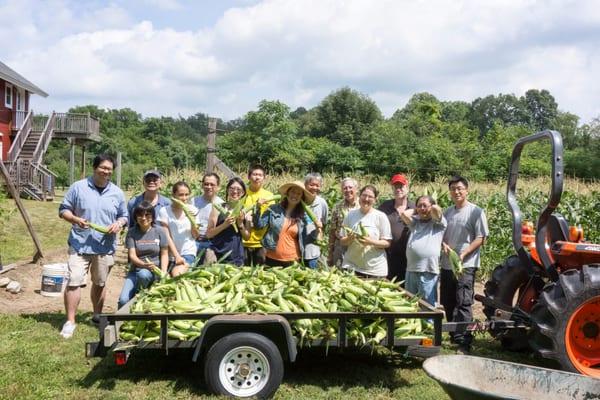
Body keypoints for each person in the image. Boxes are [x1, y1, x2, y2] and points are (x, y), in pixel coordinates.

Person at [58, 154, 128, 339]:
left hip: (104, 246)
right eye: (103, 168)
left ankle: (97, 314)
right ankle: (70, 321)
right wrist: (75, 219)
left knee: (100, 282)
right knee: (74, 281)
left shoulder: (117, 192)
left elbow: (124, 216)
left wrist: (118, 224)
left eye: (109, 169)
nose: (106, 172)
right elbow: (63, 210)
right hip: (80, 243)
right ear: (95, 167)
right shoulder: (78, 187)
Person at [440, 176, 489, 354]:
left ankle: (465, 341)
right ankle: (455, 334)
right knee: (447, 300)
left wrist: (464, 253)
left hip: (465, 264)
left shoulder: (476, 211)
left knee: (463, 301)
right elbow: (440, 234)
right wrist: (443, 245)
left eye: (460, 188)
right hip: (447, 263)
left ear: (467, 190)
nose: (457, 191)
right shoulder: (447, 213)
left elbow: (480, 238)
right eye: (453, 188)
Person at [254, 181, 319, 267]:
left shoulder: (304, 216)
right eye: (292, 192)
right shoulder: (273, 209)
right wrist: (258, 208)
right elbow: (258, 226)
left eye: (298, 194)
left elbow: (310, 238)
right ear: (287, 193)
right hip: (271, 258)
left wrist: (317, 229)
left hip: (293, 260)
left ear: (301, 197)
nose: (295, 195)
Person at [117, 201, 168, 308]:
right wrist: (143, 265)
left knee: (144, 274)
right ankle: (120, 320)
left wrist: (163, 273)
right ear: (135, 217)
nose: (143, 218)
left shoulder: (159, 231)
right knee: (123, 300)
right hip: (135, 271)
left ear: (153, 216)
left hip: (155, 272)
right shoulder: (132, 232)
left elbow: (164, 254)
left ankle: (138, 296)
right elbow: (132, 255)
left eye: (147, 215)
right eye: (140, 215)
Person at [400, 196, 446, 306]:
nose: (422, 208)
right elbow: (404, 214)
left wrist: (428, 207)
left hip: (428, 271)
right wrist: (419, 209)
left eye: (425, 205)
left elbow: (437, 210)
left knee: (427, 306)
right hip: (411, 270)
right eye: (419, 205)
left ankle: (429, 323)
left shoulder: (438, 224)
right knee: (410, 304)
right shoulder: (415, 223)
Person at [340, 185, 392, 277]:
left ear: (375, 199)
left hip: (374, 269)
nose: (366, 199)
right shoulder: (350, 215)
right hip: (351, 266)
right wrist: (349, 238)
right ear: (359, 196)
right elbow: (342, 241)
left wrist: (370, 242)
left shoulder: (381, 216)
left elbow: (387, 243)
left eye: (370, 197)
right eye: (364, 195)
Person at [157, 181, 200, 276]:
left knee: (176, 274)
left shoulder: (193, 210)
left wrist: (192, 220)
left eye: (186, 195)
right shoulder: (164, 211)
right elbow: (166, 236)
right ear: (173, 195)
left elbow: (196, 235)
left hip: (188, 251)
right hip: (169, 254)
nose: (184, 198)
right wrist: (177, 256)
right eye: (181, 195)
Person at [378, 173, 415, 283]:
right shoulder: (384, 207)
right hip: (388, 256)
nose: (398, 189)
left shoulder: (415, 207)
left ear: (407, 188)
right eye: (395, 187)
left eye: (401, 186)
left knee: (407, 290)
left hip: (409, 257)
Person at [206, 177, 250, 266]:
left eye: (238, 189)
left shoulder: (246, 211)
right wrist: (224, 225)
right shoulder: (217, 208)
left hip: (236, 256)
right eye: (232, 188)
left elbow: (247, 237)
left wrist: (240, 223)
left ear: (243, 193)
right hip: (216, 254)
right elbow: (209, 234)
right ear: (227, 190)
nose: (235, 191)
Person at [242, 164, 273, 266]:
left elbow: (270, 218)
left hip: (261, 243)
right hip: (243, 242)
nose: (257, 177)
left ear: (264, 178)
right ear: (249, 176)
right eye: (254, 174)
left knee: (260, 275)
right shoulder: (242, 194)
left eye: (260, 175)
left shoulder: (269, 196)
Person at [327, 177, 360, 267]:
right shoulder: (337, 207)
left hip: (357, 245)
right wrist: (330, 252)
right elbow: (332, 231)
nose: (347, 190)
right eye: (345, 188)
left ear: (356, 189)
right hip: (340, 245)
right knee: (338, 272)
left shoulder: (363, 205)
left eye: (350, 187)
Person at [192, 173, 223, 263]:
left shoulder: (221, 204)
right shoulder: (193, 201)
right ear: (202, 185)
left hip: (212, 242)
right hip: (194, 241)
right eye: (206, 184)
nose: (209, 187)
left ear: (218, 187)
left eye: (212, 184)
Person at [302, 173, 328, 268]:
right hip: (296, 249)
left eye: (317, 185)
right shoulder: (297, 200)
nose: (314, 188)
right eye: (311, 184)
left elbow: (324, 224)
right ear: (305, 185)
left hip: (313, 250)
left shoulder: (322, 203)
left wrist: (319, 234)